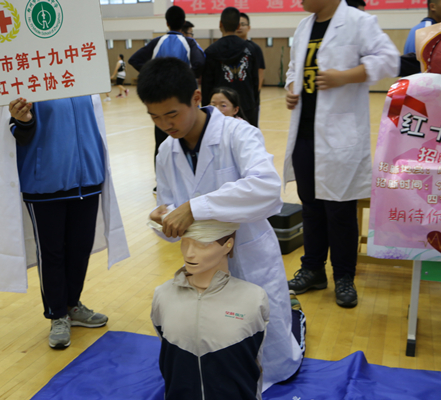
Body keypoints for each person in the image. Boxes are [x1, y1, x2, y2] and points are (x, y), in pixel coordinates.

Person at [138, 57, 304, 390]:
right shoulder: (166, 152)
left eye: (172, 114)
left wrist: (195, 208)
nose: (165, 124)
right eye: (154, 117)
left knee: (270, 350)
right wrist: (163, 219)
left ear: (196, 98)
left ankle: (288, 341)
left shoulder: (237, 133)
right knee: (213, 341)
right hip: (203, 263)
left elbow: (267, 190)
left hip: (250, 254)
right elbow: (172, 210)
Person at [284, 0, 399, 307]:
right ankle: (313, 269)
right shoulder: (304, 27)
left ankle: (344, 276)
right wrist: (292, 87)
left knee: (340, 211)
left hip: (339, 136)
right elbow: (295, 68)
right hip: (305, 132)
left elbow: (389, 60)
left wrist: (345, 76)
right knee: (310, 207)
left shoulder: (360, 22)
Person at [0, 95, 130, 349]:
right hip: (44, 181)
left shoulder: (84, 80)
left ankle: (72, 306)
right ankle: (57, 314)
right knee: (51, 253)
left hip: (88, 178)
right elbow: (16, 134)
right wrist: (23, 120)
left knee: (80, 248)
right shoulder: (29, 82)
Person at [150, 217, 268, 400]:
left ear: (228, 245)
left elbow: (255, 358)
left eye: (202, 244)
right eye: (185, 242)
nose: (189, 253)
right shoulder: (163, 295)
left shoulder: (253, 298)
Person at [129, 5, 206, 194]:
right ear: (183, 22)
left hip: (160, 100)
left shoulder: (157, 42)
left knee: (161, 144)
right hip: (181, 101)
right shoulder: (189, 42)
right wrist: (183, 79)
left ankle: (161, 183)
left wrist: (155, 76)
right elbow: (200, 62)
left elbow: (134, 59)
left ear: (167, 22)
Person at [201, 7, 260, 127]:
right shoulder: (250, 49)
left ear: (220, 24)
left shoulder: (211, 51)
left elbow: (207, 84)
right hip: (246, 105)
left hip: (220, 109)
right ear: (238, 26)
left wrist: (207, 109)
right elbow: (255, 80)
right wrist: (254, 104)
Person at [236, 13, 265, 94]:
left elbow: (260, 73)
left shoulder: (255, 48)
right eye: (237, 25)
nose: (239, 27)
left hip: (249, 93)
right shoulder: (227, 47)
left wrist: (256, 93)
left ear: (248, 28)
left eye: (243, 24)